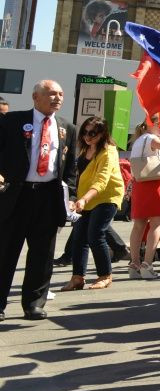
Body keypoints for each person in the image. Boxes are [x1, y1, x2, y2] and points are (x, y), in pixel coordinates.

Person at [0, 80, 76, 321]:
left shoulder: (66, 127)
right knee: (5, 251)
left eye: (60, 94)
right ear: (35, 96)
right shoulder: (12, 121)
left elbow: (70, 167)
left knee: (42, 254)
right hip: (17, 194)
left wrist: (71, 195)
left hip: (48, 196)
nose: (57, 98)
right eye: (51, 93)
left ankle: (34, 304)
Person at [61, 117, 125, 292]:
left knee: (95, 234)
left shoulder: (109, 151)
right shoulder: (85, 149)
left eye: (92, 133)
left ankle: (105, 276)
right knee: (79, 237)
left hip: (106, 197)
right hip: (85, 198)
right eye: (85, 132)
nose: (87, 136)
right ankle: (77, 277)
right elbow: (78, 176)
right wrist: (75, 198)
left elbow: (102, 180)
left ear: (103, 133)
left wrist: (84, 199)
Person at [127, 115, 160, 280]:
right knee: (156, 224)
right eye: (159, 124)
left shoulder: (139, 140)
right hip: (154, 184)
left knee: (138, 226)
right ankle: (147, 264)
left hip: (140, 184)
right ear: (150, 123)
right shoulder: (150, 138)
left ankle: (134, 264)